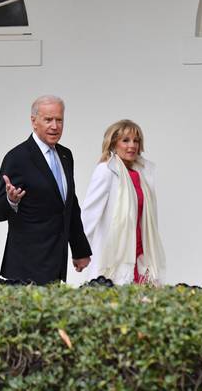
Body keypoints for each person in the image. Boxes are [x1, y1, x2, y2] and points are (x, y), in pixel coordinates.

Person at [0, 95, 91, 284]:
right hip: (26, 267)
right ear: (34, 121)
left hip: (56, 263)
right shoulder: (17, 158)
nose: (55, 126)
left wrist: (80, 250)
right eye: (48, 120)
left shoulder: (65, 155)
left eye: (59, 120)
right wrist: (11, 200)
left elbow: (69, 205)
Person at [81, 119, 166, 285]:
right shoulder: (106, 170)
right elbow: (89, 213)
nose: (132, 145)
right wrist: (81, 250)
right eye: (125, 140)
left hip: (140, 253)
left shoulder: (142, 174)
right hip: (115, 254)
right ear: (113, 143)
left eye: (136, 141)